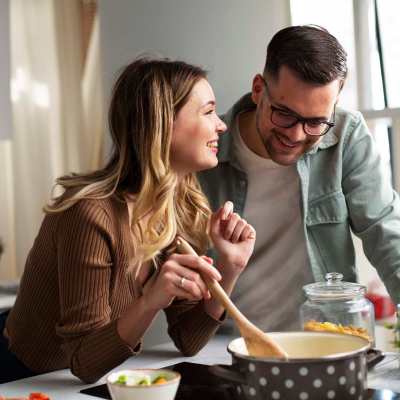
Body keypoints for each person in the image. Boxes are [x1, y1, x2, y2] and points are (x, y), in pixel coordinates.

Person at [0, 57, 256, 384]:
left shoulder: (181, 205)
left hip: (75, 382)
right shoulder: (89, 215)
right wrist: (151, 300)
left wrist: (229, 268)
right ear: (163, 124)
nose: (221, 124)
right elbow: (83, 363)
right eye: (207, 111)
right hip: (19, 375)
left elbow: (189, 340)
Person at [198, 25, 400, 333]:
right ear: (257, 89)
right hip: (226, 344)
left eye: (316, 122)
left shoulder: (346, 133)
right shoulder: (205, 147)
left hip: (326, 339)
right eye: (284, 114)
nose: (295, 135)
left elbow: (385, 230)